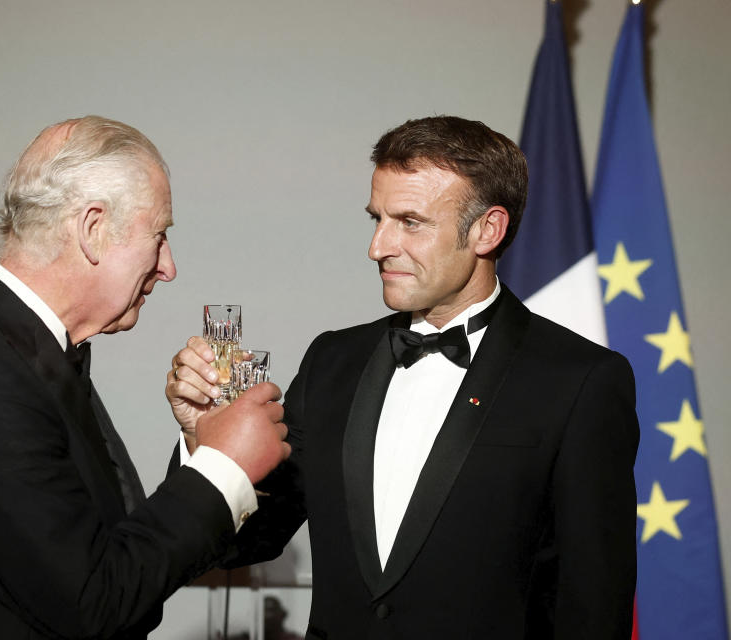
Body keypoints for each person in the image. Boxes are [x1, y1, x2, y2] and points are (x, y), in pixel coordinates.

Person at [166, 116, 639, 638]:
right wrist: (204, 440)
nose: (378, 247)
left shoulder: (580, 380)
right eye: (377, 219)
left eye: (410, 222)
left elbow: (593, 604)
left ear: (488, 229)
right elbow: (248, 540)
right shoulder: (332, 361)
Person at [0, 116, 289, 640]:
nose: (168, 266)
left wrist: (203, 445)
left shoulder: (25, 350)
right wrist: (222, 466)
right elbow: (96, 602)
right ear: (92, 229)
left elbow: (114, 552)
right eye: (158, 236)